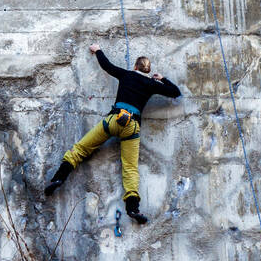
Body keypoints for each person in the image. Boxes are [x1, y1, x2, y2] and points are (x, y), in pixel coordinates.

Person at [44, 44, 181, 225]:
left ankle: (59, 178)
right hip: (132, 126)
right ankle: (132, 208)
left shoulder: (126, 74)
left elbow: (107, 65)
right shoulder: (151, 83)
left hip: (115, 119)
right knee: (130, 168)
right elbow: (175, 92)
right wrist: (162, 79)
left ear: (135, 67)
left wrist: (98, 49)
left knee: (81, 148)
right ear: (148, 71)